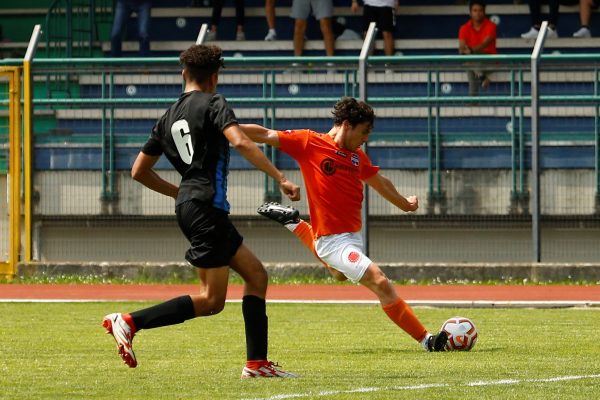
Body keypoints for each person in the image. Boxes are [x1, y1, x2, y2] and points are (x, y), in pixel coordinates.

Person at [101, 44, 300, 379]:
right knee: (211, 300)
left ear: (184, 74)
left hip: (196, 207)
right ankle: (131, 321)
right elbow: (238, 140)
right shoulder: (214, 103)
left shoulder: (167, 116)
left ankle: (256, 364)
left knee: (255, 275)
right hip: (206, 208)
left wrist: (180, 192)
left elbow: (138, 170)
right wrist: (279, 176)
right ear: (215, 78)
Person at [240, 97, 449, 353]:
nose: (366, 139)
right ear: (347, 125)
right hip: (333, 241)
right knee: (379, 281)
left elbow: (380, 182)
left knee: (338, 274)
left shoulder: (356, 157)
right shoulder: (309, 142)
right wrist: (226, 128)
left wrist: (405, 203)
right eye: (364, 132)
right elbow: (265, 133)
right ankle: (427, 340)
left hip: (351, 238)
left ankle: (294, 222)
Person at [458, 0, 497, 96]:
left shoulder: (491, 26)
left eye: (480, 10)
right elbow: (461, 48)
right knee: (470, 63)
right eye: (475, 10)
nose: (477, 13)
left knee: (469, 63)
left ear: (484, 12)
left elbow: (485, 44)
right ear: (470, 12)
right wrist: (465, 51)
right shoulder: (464, 28)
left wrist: (470, 50)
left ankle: (473, 99)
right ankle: (482, 77)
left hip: (489, 60)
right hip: (474, 61)